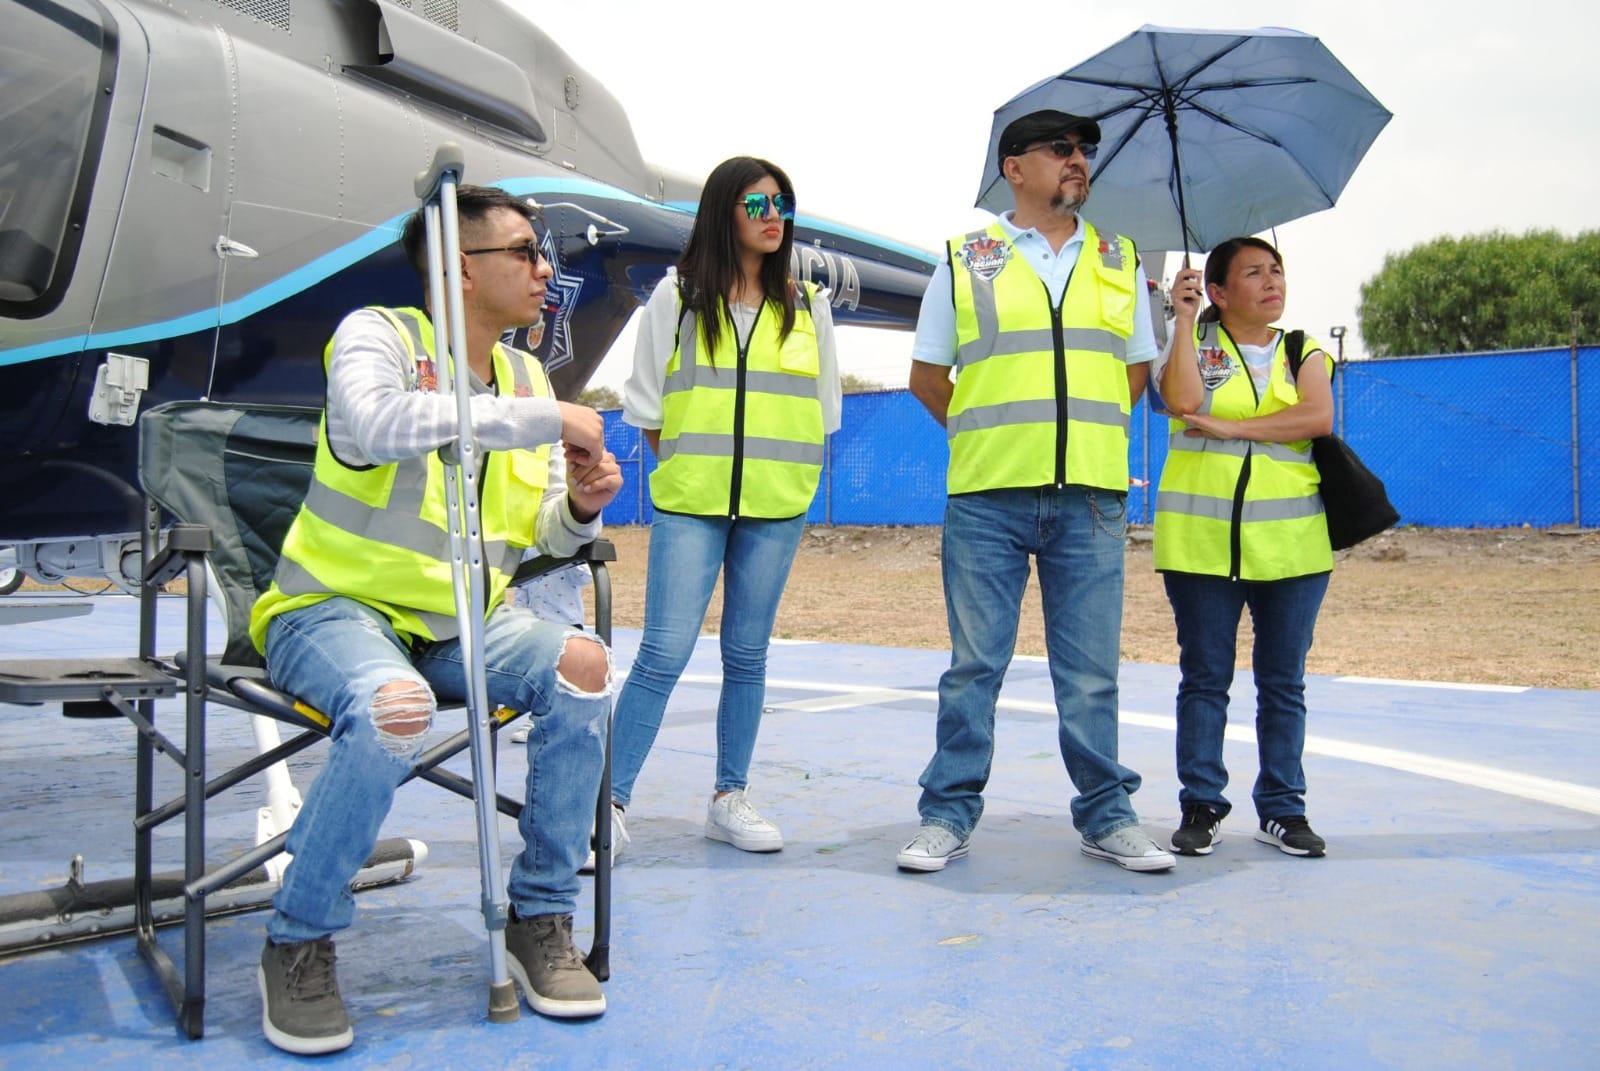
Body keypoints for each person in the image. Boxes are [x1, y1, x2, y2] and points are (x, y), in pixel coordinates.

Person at [246, 184, 623, 1054]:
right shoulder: (377, 335)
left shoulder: (526, 372)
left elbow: (538, 536)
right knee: (395, 707)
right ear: (461, 266)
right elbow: (372, 423)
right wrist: (544, 417)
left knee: (586, 664)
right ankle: (299, 935)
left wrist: (580, 507)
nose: (544, 270)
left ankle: (541, 917)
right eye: (526, 252)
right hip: (332, 610)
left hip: (462, 623)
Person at [897, 110, 1174, 875]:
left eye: (1083, 150)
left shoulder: (1119, 258)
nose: (1077, 160)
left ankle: (1108, 813)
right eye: (1060, 149)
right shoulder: (965, 258)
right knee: (974, 667)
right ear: (1014, 168)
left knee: (1090, 673)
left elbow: (1136, 369)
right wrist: (989, 432)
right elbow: (928, 377)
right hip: (988, 496)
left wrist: (1081, 431)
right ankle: (946, 813)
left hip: (1090, 496)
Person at [610, 155, 840, 858]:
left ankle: (729, 798)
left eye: (783, 206)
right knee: (663, 651)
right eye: (758, 204)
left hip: (777, 506)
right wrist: (685, 470)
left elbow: (824, 409)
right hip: (692, 504)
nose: (774, 218)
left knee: (747, 652)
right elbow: (647, 404)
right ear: (723, 212)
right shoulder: (675, 299)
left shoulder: (810, 306)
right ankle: (606, 803)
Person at [1154, 237, 1335, 859]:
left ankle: (1284, 809)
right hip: (1201, 546)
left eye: (1277, 269)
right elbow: (1179, 402)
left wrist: (1230, 425)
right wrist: (1181, 318)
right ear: (1220, 292)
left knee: (1283, 683)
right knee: (1204, 679)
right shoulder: (1194, 348)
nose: (1272, 281)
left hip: (1293, 548)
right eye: (1254, 273)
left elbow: (1314, 418)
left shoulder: (1301, 349)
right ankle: (1201, 804)